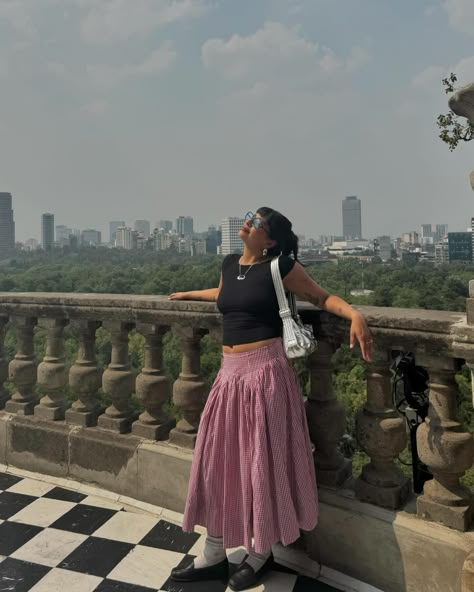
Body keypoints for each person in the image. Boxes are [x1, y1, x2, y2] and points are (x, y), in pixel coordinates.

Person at [168, 207, 373, 591]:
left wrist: (354, 314)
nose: (248, 222)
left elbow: (320, 295)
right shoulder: (230, 264)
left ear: (271, 239)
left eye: (257, 221)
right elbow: (225, 293)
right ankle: (214, 550)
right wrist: (189, 293)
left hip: (266, 374)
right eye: (249, 216)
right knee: (218, 459)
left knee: (261, 460)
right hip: (229, 375)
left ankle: (261, 551)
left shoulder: (282, 267)